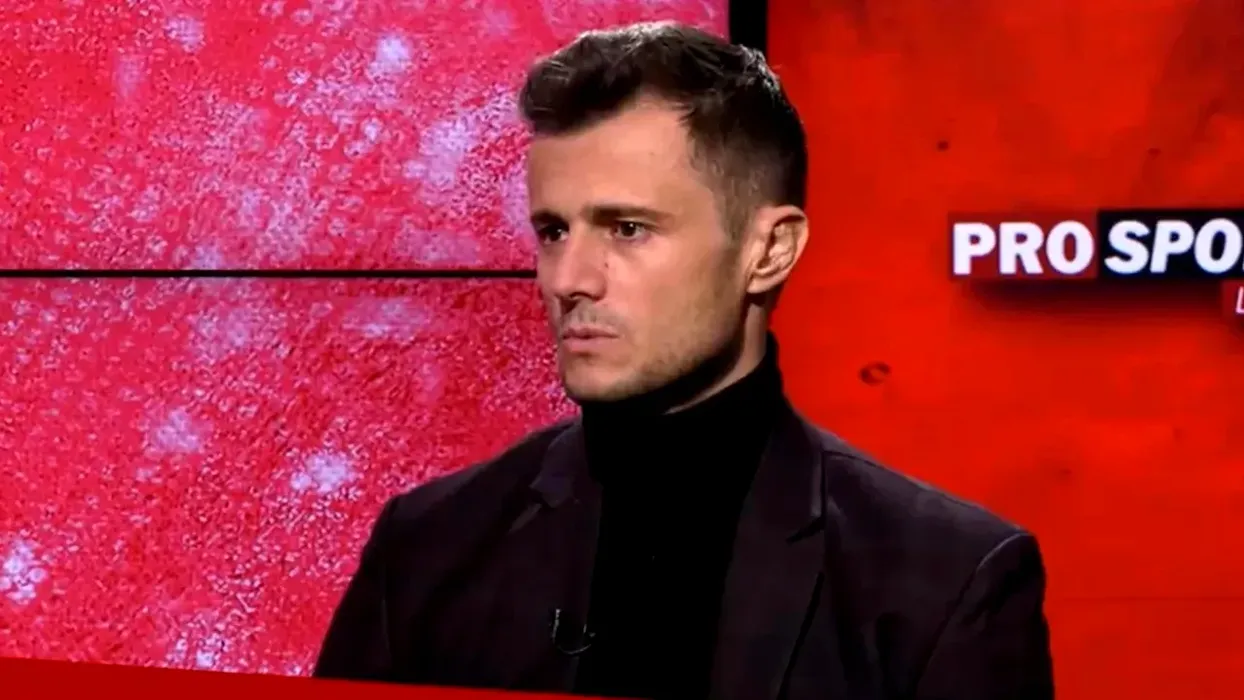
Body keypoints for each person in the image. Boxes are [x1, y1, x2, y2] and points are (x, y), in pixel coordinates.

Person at [311, 21, 1055, 700]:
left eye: (627, 229)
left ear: (769, 251)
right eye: (553, 231)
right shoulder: (429, 549)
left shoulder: (942, 584)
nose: (569, 279)